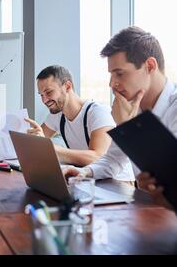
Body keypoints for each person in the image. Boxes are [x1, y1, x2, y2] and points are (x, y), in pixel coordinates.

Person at [62, 26, 177, 196]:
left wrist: (127, 127)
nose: (112, 83)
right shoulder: (132, 108)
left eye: (119, 74)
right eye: (111, 74)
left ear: (150, 66)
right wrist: (85, 172)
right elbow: (113, 158)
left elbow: (168, 178)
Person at [25, 65, 115, 167]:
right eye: (41, 95)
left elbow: (98, 158)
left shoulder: (98, 112)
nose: (44, 100)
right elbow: (36, 144)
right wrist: (34, 139)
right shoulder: (58, 115)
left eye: (49, 92)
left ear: (67, 86)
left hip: (115, 181)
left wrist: (50, 148)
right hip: (87, 177)